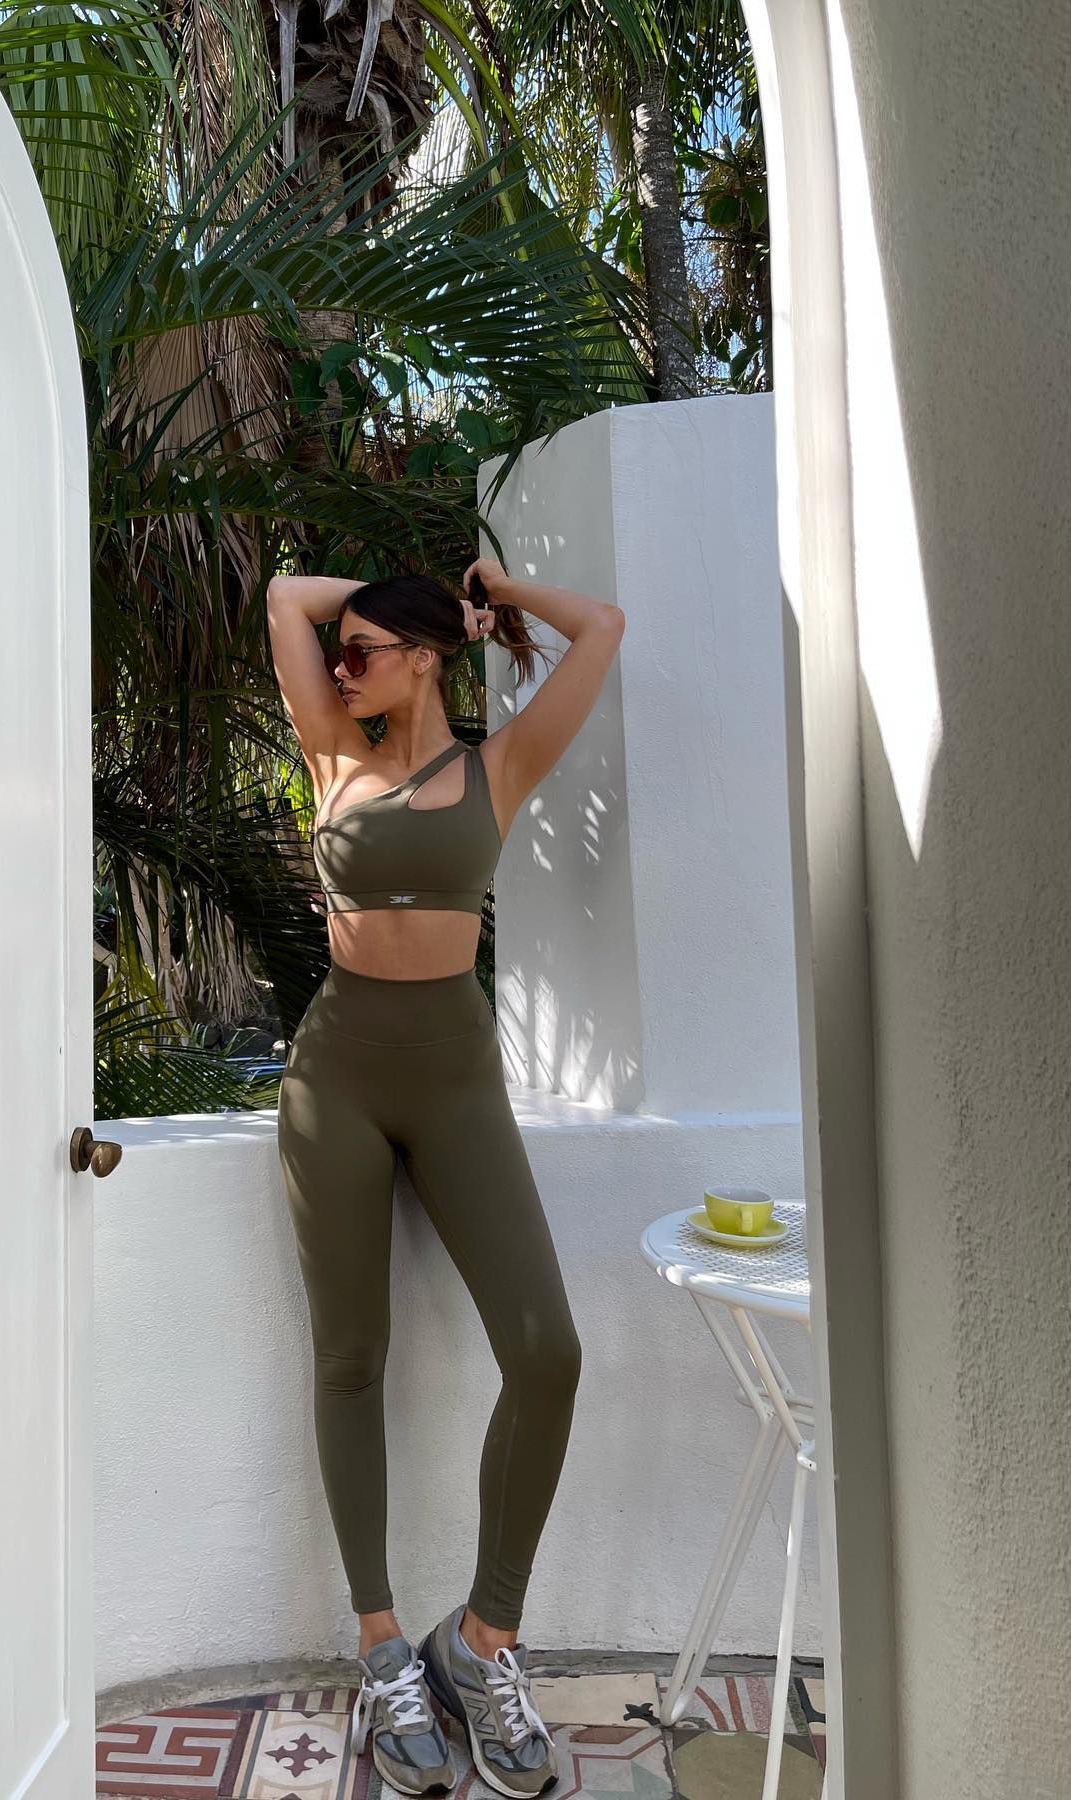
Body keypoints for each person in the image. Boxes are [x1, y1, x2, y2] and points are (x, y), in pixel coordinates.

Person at [266, 558, 626, 1799]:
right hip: (338, 1080)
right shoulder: (330, 751)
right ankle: (382, 1646)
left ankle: (481, 1642)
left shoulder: (499, 765)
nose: (342, 666)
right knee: (349, 1357)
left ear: (426, 657)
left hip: (459, 1083)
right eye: (343, 653)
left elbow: (602, 626)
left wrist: (494, 593)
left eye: (366, 651)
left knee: (547, 1351)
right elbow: (284, 597)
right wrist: (383, 598)